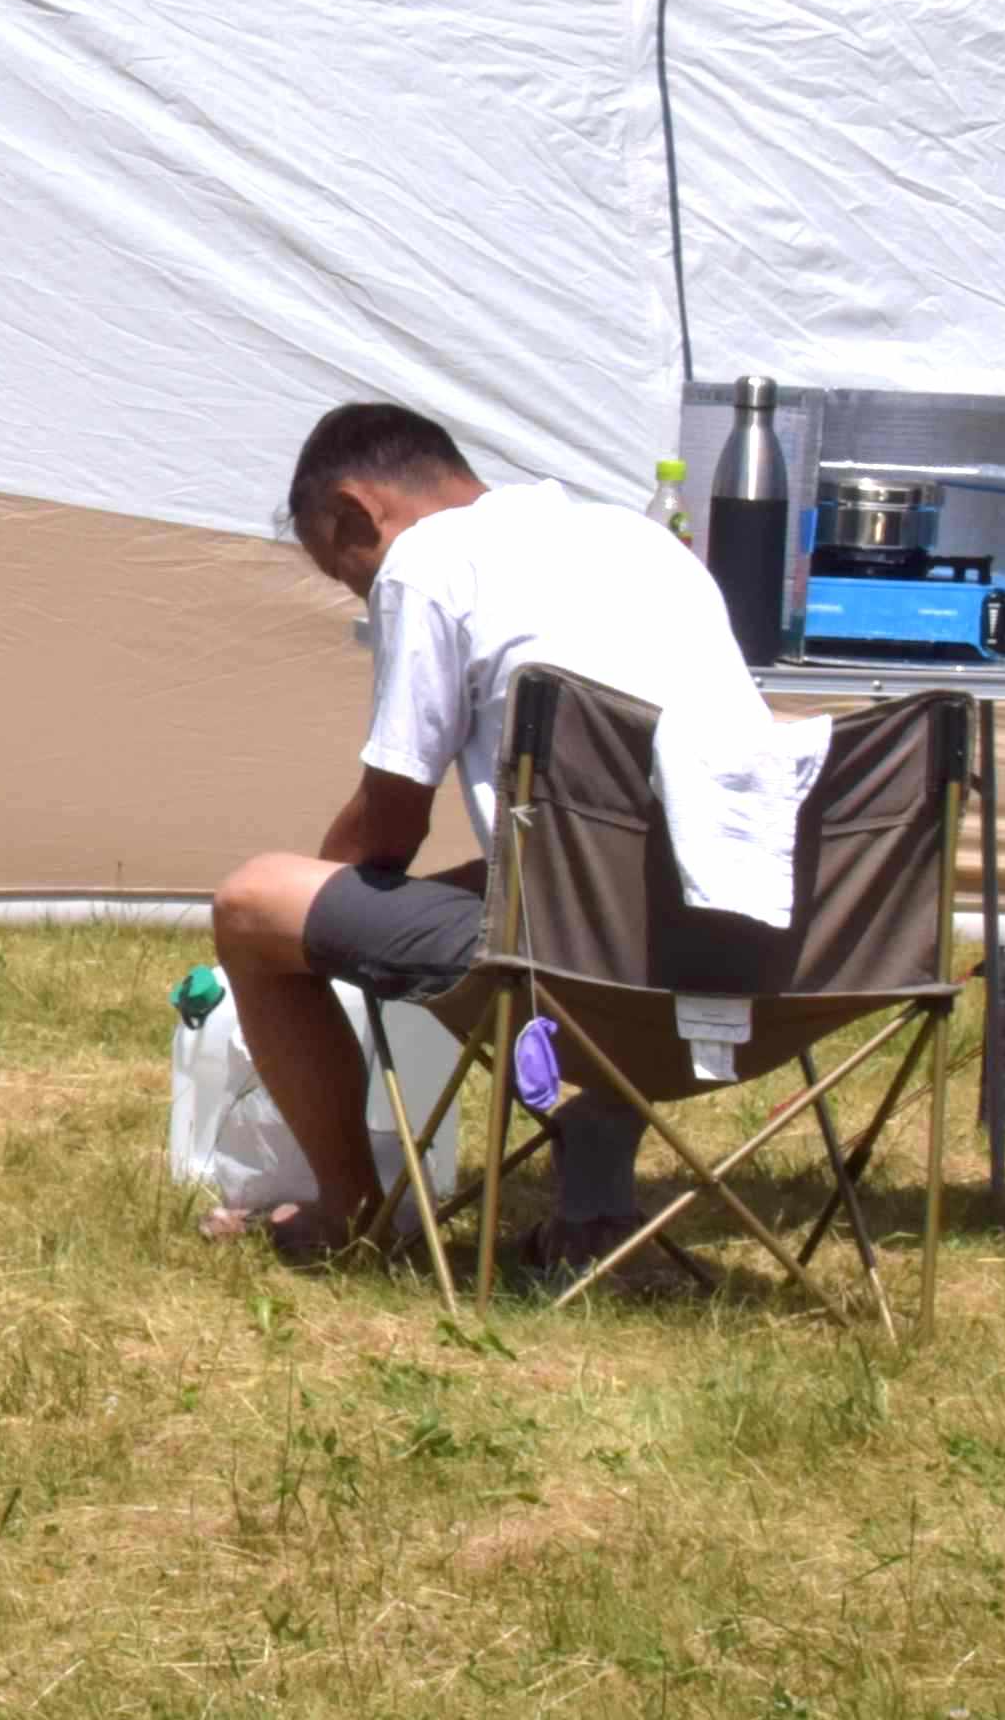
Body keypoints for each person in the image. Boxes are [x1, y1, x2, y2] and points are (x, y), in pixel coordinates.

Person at [206, 400, 721, 1286]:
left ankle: (349, 1212)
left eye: (350, 575)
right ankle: (597, 1172)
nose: (367, 596)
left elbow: (391, 821)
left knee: (256, 906)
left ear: (356, 513)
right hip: (752, 963)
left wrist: (316, 895)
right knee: (525, 869)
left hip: (591, 972)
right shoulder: (646, 544)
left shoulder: (430, 562)